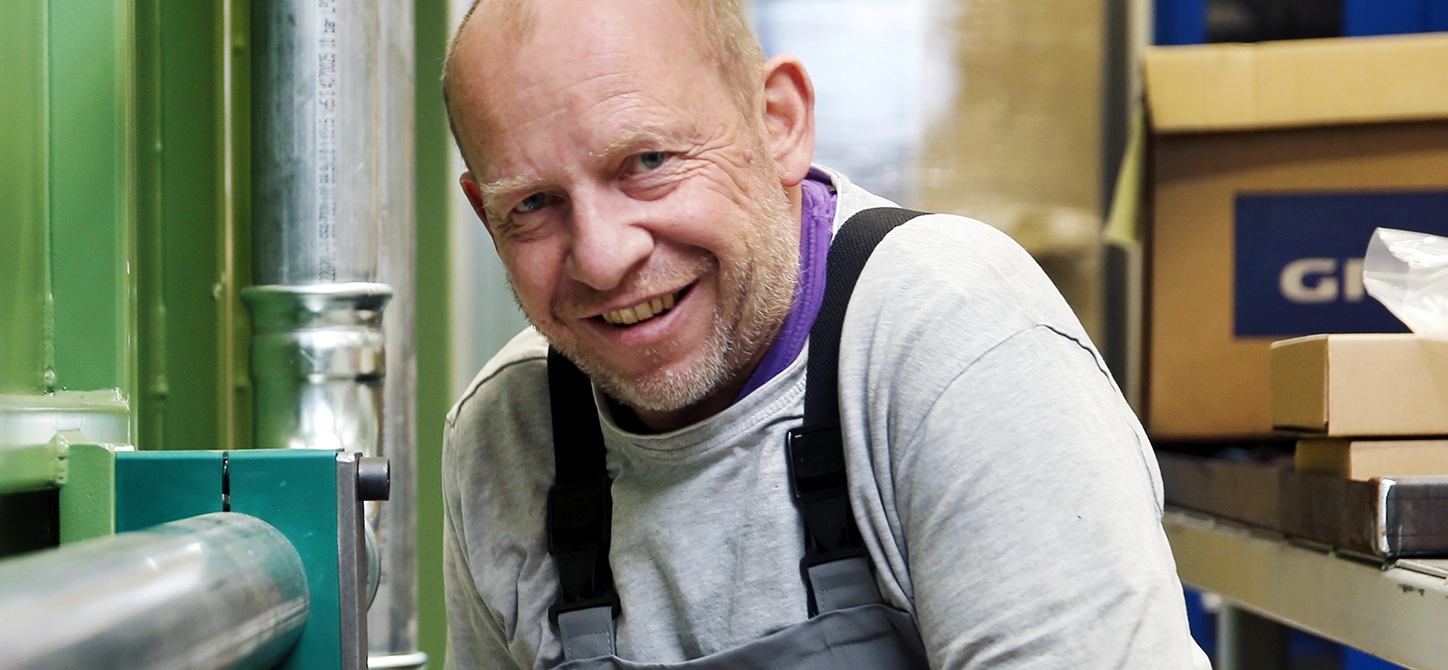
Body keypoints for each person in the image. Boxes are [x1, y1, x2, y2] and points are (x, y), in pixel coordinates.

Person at [436, 0, 1210, 668]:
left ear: (779, 122)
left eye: (648, 161)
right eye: (532, 204)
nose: (604, 260)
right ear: (484, 215)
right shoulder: (507, 435)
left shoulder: (956, 343)